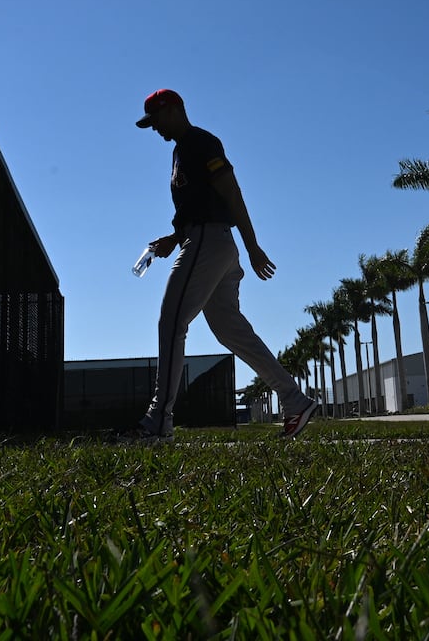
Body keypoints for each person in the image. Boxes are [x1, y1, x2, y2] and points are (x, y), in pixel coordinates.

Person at [120, 89, 318, 443]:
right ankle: (294, 400)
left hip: (210, 242)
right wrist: (173, 239)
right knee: (229, 330)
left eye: (156, 120)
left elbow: (230, 191)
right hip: (208, 243)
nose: (155, 130)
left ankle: (156, 423)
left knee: (172, 320)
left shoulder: (200, 141)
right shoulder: (180, 151)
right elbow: (198, 206)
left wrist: (253, 245)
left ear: (174, 110)